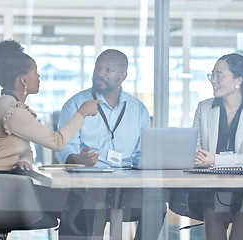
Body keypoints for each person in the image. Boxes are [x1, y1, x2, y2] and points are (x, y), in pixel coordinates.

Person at [0, 40, 101, 216]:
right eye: (35, 72)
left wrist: (25, 161)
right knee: (75, 201)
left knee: (74, 200)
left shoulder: (11, 106)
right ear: (23, 80)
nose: (39, 77)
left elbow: (27, 150)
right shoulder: (12, 111)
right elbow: (56, 142)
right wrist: (81, 113)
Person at [56, 49, 163, 239]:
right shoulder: (76, 104)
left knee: (156, 204)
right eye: (98, 67)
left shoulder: (138, 109)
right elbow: (64, 147)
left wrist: (146, 161)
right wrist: (79, 159)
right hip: (88, 182)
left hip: (128, 184)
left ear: (123, 76)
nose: (100, 73)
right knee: (81, 210)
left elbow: (142, 152)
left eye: (108, 70)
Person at [192, 53, 243, 240]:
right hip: (211, 184)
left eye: (219, 75)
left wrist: (215, 159)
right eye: (212, 75)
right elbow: (195, 149)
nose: (213, 81)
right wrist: (200, 157)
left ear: (238, 80)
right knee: (212, 214)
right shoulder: (203, 108)